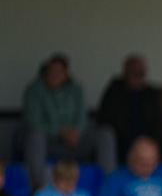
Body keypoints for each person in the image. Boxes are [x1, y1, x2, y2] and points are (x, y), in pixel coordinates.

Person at [20, 53, 118, 187]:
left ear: (66, 73)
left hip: (74, 142)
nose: (54, 75)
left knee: (105, 135)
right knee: (35, 136)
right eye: (51, 71)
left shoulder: (76, 89)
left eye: (58, 71)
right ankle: (37, 185)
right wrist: (60, 132)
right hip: (48, 143)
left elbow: (82, 117)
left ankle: (109, 184)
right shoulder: (34, 90)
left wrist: (77, 132)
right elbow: (32, 121)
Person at [97, 55, 162, 161]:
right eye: (136, 73)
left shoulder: (150, 93)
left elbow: (157, 120)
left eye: (142, 73)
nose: (140, 77)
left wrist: (153, 140)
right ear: (126, 73)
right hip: (124, 136)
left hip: (148, 136)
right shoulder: (114, 91)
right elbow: (108, 120)